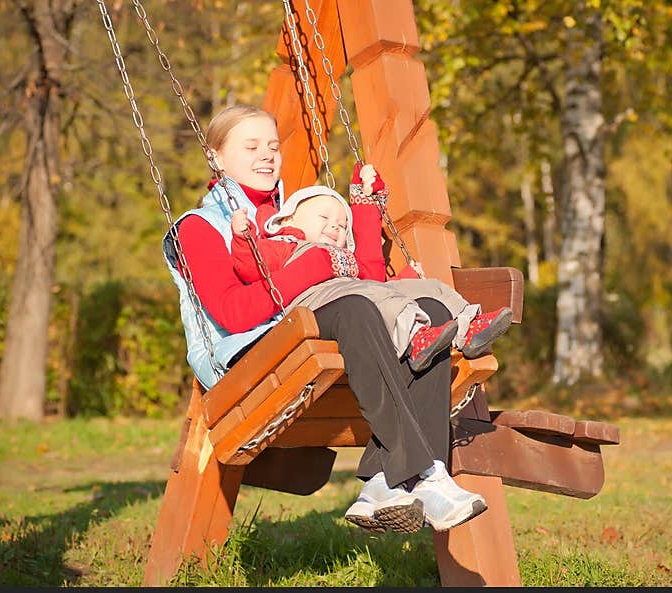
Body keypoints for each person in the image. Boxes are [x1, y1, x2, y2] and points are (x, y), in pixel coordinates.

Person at [162, 104, 489, 533]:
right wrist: (316, 264)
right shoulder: (201, 227)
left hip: (314, 334)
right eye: (251, 146)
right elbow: (231, 313)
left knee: (430, 313)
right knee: (355, 309)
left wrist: (365, 209)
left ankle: (384, 483)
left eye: (273, 146)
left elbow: (368, 282)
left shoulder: (294, 215)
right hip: (247, 354)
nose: (266, 155)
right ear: (217, 157)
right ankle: (421, 474)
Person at [228, 164, 513, 373]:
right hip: (320, 303)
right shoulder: (284, 245)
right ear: (289, 219)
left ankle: (469, 325)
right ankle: (416, 337)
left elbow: (372, 273)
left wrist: (365, 201)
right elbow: (252, 268)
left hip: (362, 293)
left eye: (341, 225)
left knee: (431, 286)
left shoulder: (344, 258)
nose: (334, 226)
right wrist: (243, 238)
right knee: (373, 295)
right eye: (324, 217)